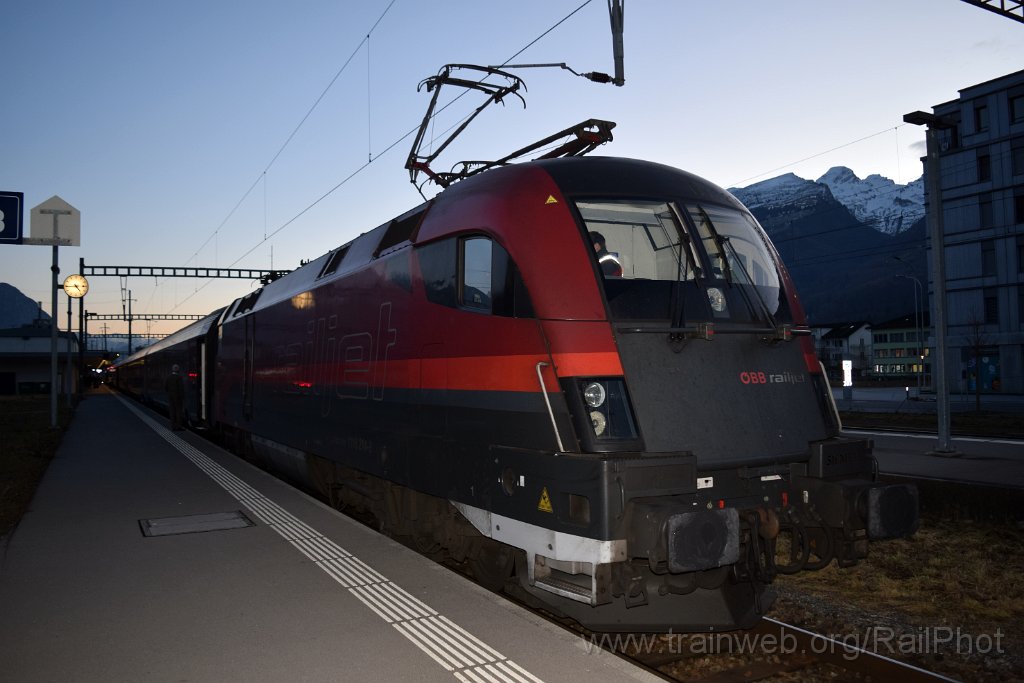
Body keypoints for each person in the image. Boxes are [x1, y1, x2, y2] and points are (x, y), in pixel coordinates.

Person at [165, 364, 186, 431]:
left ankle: (173, 426)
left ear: (172, 369)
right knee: (178, 412)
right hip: (178, 397)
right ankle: (179, 426)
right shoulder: (179, 377)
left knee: (172, 411)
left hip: (170, 397)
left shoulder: (168, 377)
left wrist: (170, 393)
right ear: (178, 370)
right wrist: (182, 397)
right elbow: (181, 388)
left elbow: (166, 387)